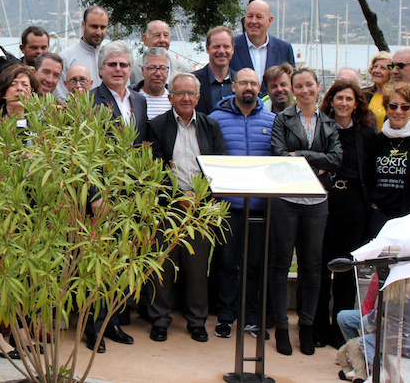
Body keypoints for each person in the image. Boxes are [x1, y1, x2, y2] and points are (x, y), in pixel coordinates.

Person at [144, 72, 226, 344]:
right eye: (179, 93)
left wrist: (203, 196)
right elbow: (153, 168)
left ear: (198, 97)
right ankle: (160, 319)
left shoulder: (210, 126)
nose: (186, 98)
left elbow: (220, 164)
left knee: (197, 267)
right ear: (170, 97)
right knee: (163, 265)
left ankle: (196, 321)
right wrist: (178, 196)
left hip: (200, 209)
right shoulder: (156, 125)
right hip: (167, 208)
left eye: (190, 93)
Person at [269, 66, 342, 356]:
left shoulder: (329, 122)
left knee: (312, 267)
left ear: (317, 87)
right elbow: (277, 156)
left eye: (309, 85)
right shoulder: (282, 119)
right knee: (280, 264)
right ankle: (282, 328)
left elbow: (336, 159)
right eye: (298, 86)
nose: (304, 90)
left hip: (316, 202)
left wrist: (298, 155)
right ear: (292, 90)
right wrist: (315, 162)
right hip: (285, 200)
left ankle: (308, 327)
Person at [86, 41, 147, 353]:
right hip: (102, 195)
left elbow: (141, 149)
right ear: (101, 70)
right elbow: (87, 153)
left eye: (124, 65)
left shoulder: (139, 100)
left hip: (129, 197)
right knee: (97, 263)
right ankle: (93, 328)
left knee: (121, 263)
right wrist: (96, 196)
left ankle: (113, 323)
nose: (119, 70)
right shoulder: (90, 101)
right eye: (113, 65)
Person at [208, 68, 275, 339]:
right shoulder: (215, 119)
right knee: (225, 263)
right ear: (233, 86)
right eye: (243, 83)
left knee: (255, 264)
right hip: (227, 205)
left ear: (259, 87)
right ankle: (224, 317)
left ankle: (250, 317)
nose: (248, 87)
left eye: (253, 83)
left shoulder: (272, 120)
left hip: (260, 205)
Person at [314, 81, 375, 349]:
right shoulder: (321, 129)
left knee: (346, 271)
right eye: (339, 98)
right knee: (321, 268)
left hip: (354, 207)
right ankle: (317, 327)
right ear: (331, 101)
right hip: (326, 203)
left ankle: (339, 329)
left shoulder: (367, 134)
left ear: (356, 103)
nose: (343, 104)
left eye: (349, 99)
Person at [368, 81, 410, 237]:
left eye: (405, 107)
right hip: (379, 219)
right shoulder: (376, 141)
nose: (398, 112)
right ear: (386, 107)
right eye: (393, 106)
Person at [229, 0, 296, 86]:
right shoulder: (231, 47)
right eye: (250, 16)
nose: (253, 21)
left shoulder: (284, 49)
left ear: (270, 21)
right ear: (245, 19)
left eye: (259, 17)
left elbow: (291, 84)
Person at [54, 6, 109, 101]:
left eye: (103, 27)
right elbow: (61, 97)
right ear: (83, 25)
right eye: (94, 26)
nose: (99, 32)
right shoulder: (66, 57)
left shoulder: (112, 57)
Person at [130, 20, 191, 86]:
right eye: (157, 35)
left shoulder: (184, 71)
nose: (162, 40)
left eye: (166, 35)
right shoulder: (132, 69)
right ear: (145, 39)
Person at [194, 26, 237, 115]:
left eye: (226, 46)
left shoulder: (240, 81)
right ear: (207, 48)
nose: (221, 51)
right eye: (216, 46)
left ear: (232, 49)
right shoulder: (193, 81)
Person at [132, 47, 172, 120]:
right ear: (143, 71)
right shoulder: (130, 97)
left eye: (163, 68)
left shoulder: (175, 98)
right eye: (152, 68)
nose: (158, 73)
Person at [362, 51, 392, 132]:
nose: (377, 71)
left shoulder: (397, 96)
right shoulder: (363, 94)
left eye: (383, 68)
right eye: (375, 67)